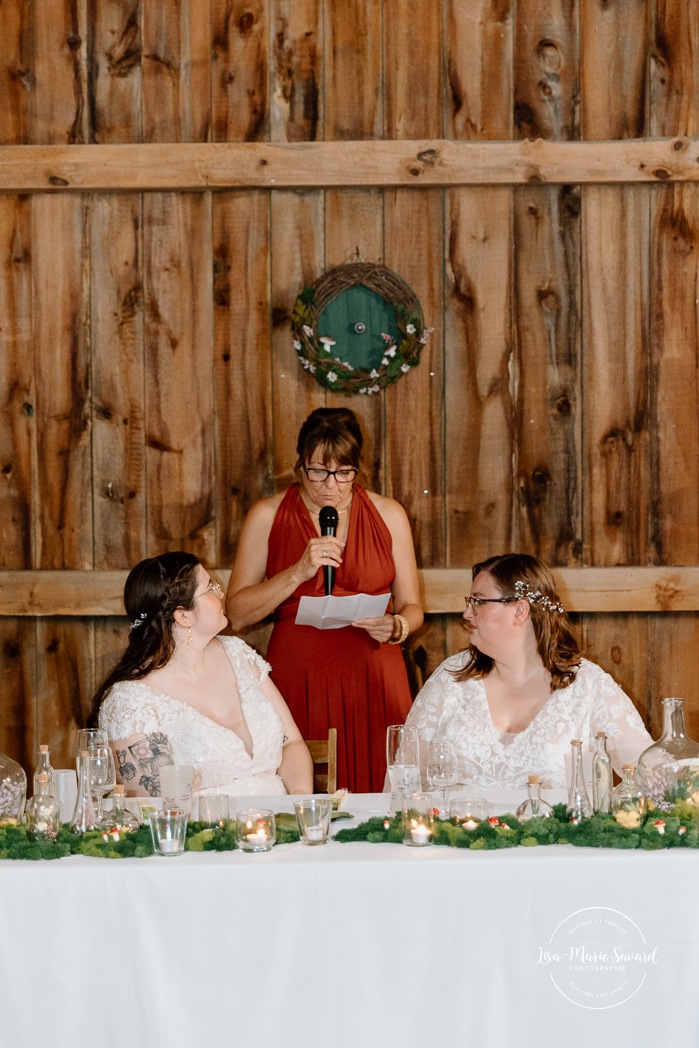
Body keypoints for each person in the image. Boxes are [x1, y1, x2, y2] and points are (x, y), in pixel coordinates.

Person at [226, 407, 424, 792]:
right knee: (303, 788)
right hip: (299, 673)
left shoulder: (389, 514)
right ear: (299, 465)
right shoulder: (267, 516)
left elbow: (412, 606)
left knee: (383, 790)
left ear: (356, 468)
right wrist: (297, 572)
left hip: (373, 671)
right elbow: (235, 614)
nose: (330, 485)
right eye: (317, 471)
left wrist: (398, 625)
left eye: (343, 473)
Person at [404, 553, 653, 790]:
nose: (467, 613)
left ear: (520, 611)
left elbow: (649, 772)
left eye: (478, 602)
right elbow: (402, 780)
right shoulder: (450, 678)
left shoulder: (588, 686)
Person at [91, 552, 313, 797]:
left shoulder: (237, 654)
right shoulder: (131, 702)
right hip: (201, 831)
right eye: (210, 588)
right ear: (183, 616)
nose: (220, 594)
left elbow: (290, 742)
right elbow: (154, 807)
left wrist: (300, 801)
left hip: (282, 824)